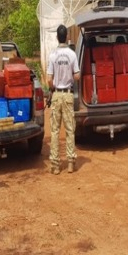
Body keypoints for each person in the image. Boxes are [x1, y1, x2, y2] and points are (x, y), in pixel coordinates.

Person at [47, 24, 80, 174]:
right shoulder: (72, 54)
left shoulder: (53, 55)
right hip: (67, 95)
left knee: (54, 130)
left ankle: (55, 165)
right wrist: (70, 79)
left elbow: (48, 79)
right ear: (66, 36)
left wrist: (53, 87)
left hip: (56, 95)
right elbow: (77, 75)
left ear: (56, 37)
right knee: (69, 129)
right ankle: (71, 163)